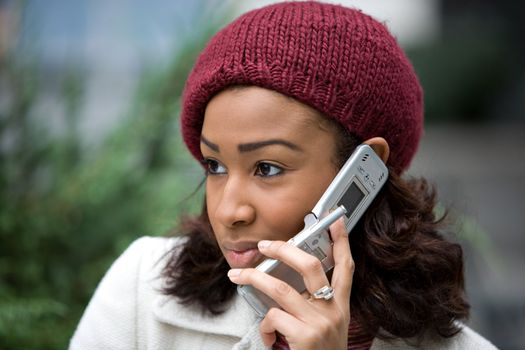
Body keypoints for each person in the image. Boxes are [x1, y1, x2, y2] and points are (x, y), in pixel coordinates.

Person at [70, 1, 498, 349]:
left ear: (364, 172)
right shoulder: (141, 290)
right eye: (214, 166)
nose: (228, 211)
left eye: (267, 168)